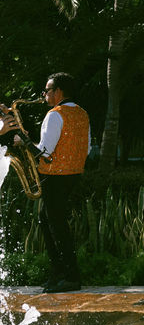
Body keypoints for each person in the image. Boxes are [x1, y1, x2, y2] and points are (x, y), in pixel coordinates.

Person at [34, 72, 89, 293]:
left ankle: (70, 276)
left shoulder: (54, 114)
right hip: (73, 174)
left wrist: (22, 140)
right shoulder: (82, 113)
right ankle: (58, 273)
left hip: (53, 175)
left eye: (47, 90)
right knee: (47, 219)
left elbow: (44, 152)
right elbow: (86, 146)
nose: (45, 94)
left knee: (56, 225)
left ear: (58, 92)